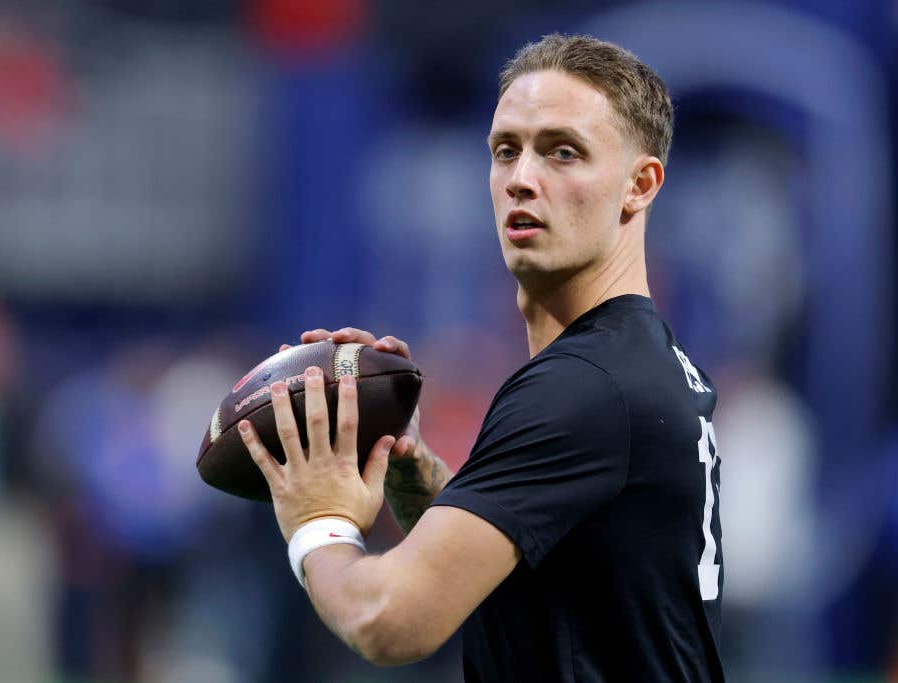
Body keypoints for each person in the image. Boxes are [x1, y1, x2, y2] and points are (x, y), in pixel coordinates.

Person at [239, 33, 724, 682]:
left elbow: (387, 619)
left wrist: (316, 519)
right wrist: (425, 488)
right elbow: (550, 583)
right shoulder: (647, 364)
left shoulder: (581, 387)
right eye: (506, 151)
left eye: (563, 152)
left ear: (640, 185)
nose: (523, 179)